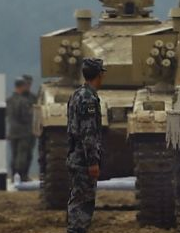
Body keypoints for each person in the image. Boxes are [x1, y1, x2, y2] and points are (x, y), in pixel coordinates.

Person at [67, 58, 106, 233]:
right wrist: (92, 161)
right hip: (83, 159)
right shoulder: (89, 99)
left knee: (77, 199)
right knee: (83, 203)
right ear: (99, 75)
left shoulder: (77, 94)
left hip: (75, 155)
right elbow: (88, 132)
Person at [7, 78, 32, 181]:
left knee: (14, 154)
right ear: (22, 87)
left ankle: (13, 175)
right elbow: (25, 117)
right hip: (23, 132)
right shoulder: (24, 101)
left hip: (12, 131)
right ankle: (21, 175)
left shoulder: (9, 100)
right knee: (22, 154)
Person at [21, 74, 37, 180]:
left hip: (30, 130)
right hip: (20, 131)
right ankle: (18, 174)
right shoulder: (18, 97)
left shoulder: (33, 98)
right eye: (26, 84)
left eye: (29, 84)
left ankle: (25, 174)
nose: (28, 86)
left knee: (28, 154)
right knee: (19, 155)